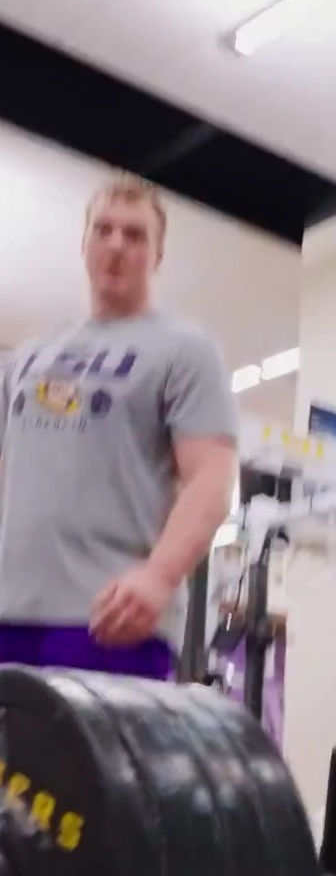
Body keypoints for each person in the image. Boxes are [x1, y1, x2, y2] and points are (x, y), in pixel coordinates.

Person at [0, 175, 238, 677]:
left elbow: (211, 480)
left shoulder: (184, 351)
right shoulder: (26, 359)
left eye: (134, 235)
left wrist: (159, 576)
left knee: (85, 761)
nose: (116, 245)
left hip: (109, 619)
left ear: (157, 255)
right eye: (103, 229)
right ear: (83, 243)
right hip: (9, 614)